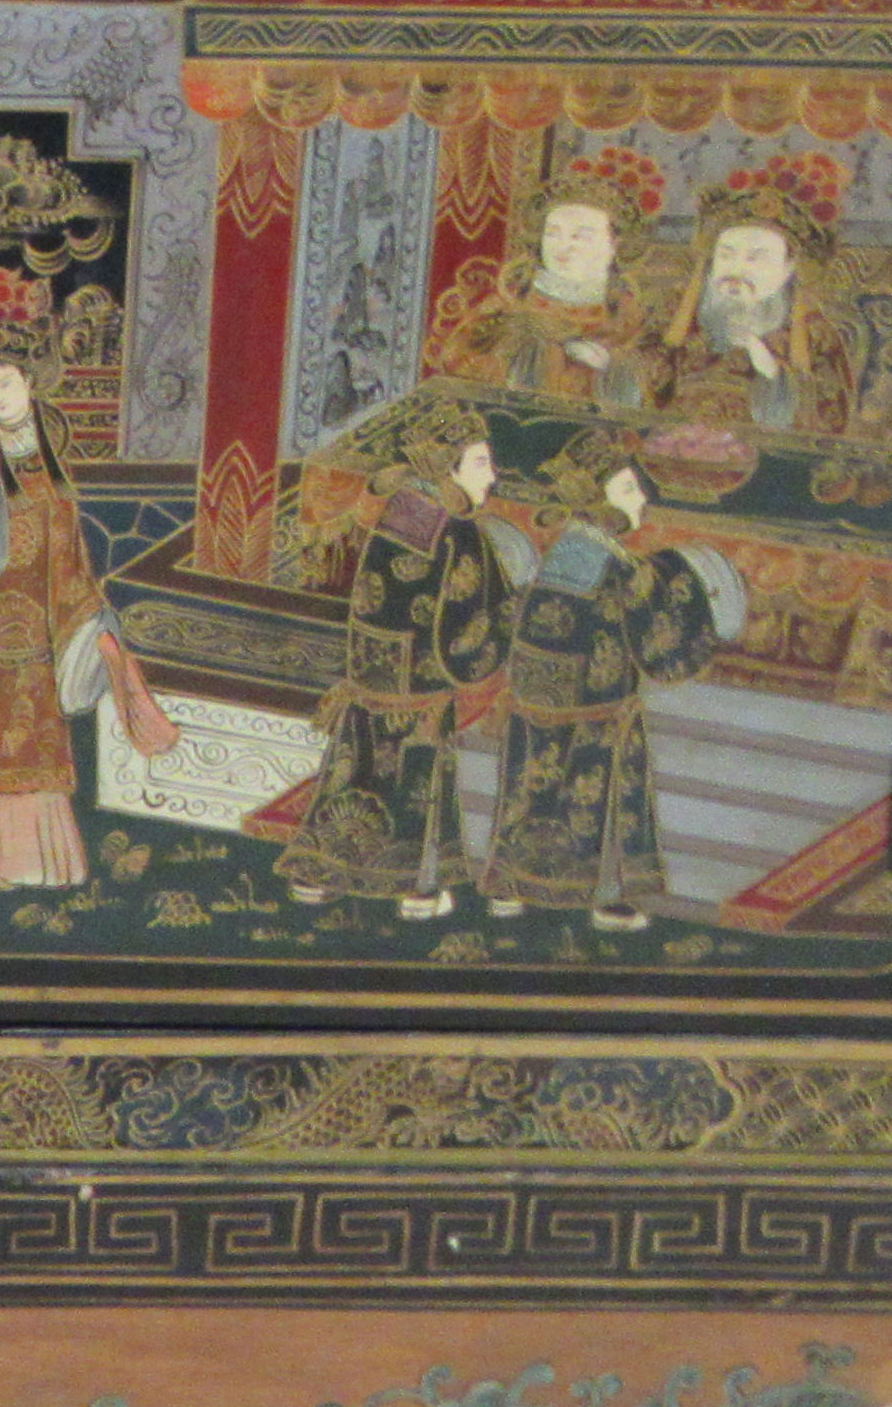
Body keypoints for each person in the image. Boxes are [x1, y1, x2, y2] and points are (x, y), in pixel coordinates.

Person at [0, 274, 173, 889]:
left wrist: (93, 625)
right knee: (1, 745)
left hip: (49, 629)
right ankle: (1, 865)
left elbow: (70, 556)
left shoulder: (54, 463)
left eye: (6, 382)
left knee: (45, 748)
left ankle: (54, 865)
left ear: (30, 382)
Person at [485, 429, 750, 929]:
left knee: (531, 787)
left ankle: (510, 888)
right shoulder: (612, 561)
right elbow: (656, 635)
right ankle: (607, 900)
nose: (642, 499)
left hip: (539, 698)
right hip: (593, 707)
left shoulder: (569, 549)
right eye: (628, 489)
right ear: (597, 498)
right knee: (594, 794)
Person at [280, 396, 521, 919]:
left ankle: (316, 876)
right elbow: (477, 618)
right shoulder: (459, 534)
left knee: (354, 772)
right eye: (481, 462)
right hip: (422, 686)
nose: (493, 475)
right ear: (448, 467)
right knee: (417, 783)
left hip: (371, 676)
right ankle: (418, 890)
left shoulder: (401, 513)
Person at [639, 155, 860, 437]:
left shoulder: (815, 335)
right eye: (726, 255)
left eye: (756, 258)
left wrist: (774, 376)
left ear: (788, 269)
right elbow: (641, 380)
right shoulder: (678, 313)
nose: (736, 270)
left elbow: (828, 420)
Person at [433, 146, 661, 409]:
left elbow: (657, 391)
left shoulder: (630, 317)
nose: (563, 246)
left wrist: (611, 365)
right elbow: (456, 366)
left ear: (615, 245)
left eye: (581, 236)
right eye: (553, 233)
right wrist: (545, 348)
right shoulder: (507, 307)